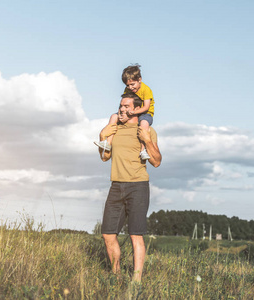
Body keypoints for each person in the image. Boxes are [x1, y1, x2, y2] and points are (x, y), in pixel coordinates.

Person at [97, 92, 162, 283]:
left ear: (137, 109)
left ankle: (136, 280)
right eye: (121, 105)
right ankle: (116, 275)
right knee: (108, 234)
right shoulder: (114, 128)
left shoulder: (146, 130)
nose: (122, 109)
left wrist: (147, 140)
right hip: (116, 185)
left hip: (138, 186)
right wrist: (102, 136)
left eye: (126, 106)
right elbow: (104, 157)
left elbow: (157, 162)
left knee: (136, 236)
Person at [95, 64, 155, 160]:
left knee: (143, 124)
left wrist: (134, 113)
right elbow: (123, 102)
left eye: (132, 84)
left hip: (145, 113)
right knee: (113, 117)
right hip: (131, 112)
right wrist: (120, 114)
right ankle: (108, 143)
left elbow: (146, 107)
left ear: (140, 80)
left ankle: (143, 150)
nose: (130, 87)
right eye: (128, 85)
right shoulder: (127, 90)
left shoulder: (146, 89)